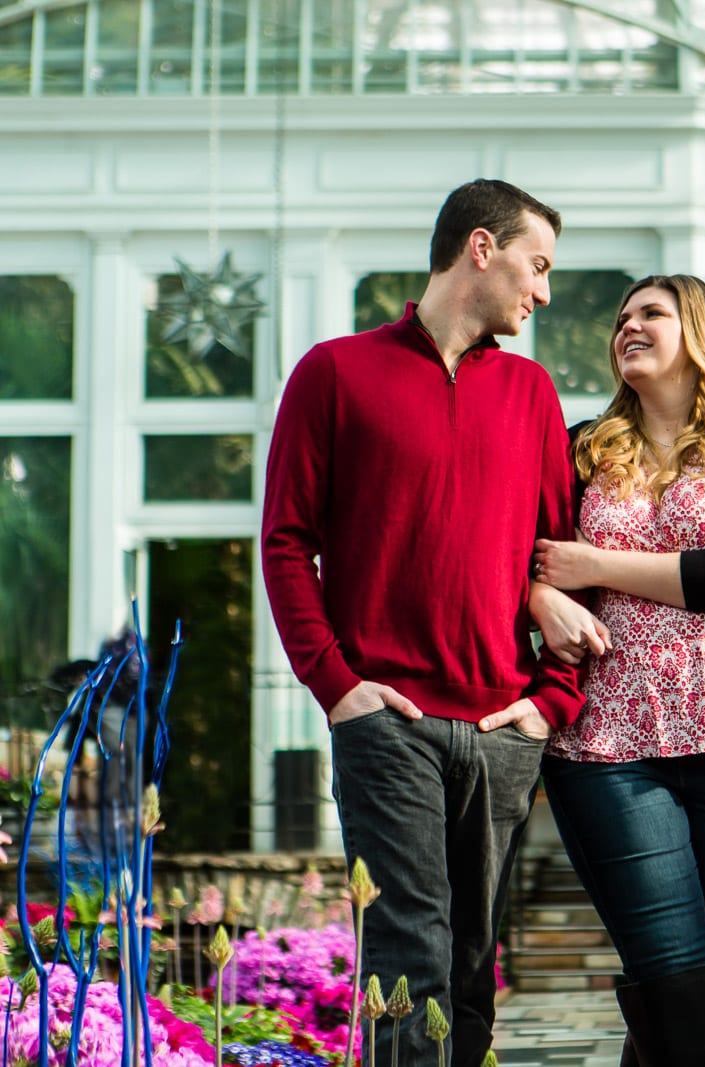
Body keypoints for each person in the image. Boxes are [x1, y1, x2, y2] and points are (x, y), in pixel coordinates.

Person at [261, 178, 607, 1065]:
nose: (544, 290)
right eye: (537, 265)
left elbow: (562, 560)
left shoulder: (532, 394)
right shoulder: (335, 373)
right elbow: (286, 545)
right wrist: (338, 688)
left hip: (502, 729)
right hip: (390, 722)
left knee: (472, 965)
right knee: (408, 954)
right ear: (481, 249)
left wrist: (551, 700)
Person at [530, 274, 705, 1067]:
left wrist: (595, 563)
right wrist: (546, 591)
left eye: (652, 312)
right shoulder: (582, 448)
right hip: (607, 746)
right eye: (622, 318)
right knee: (673, 973)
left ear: (703, 332)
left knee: (686, 982)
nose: (629, 326)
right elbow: (522, 553)